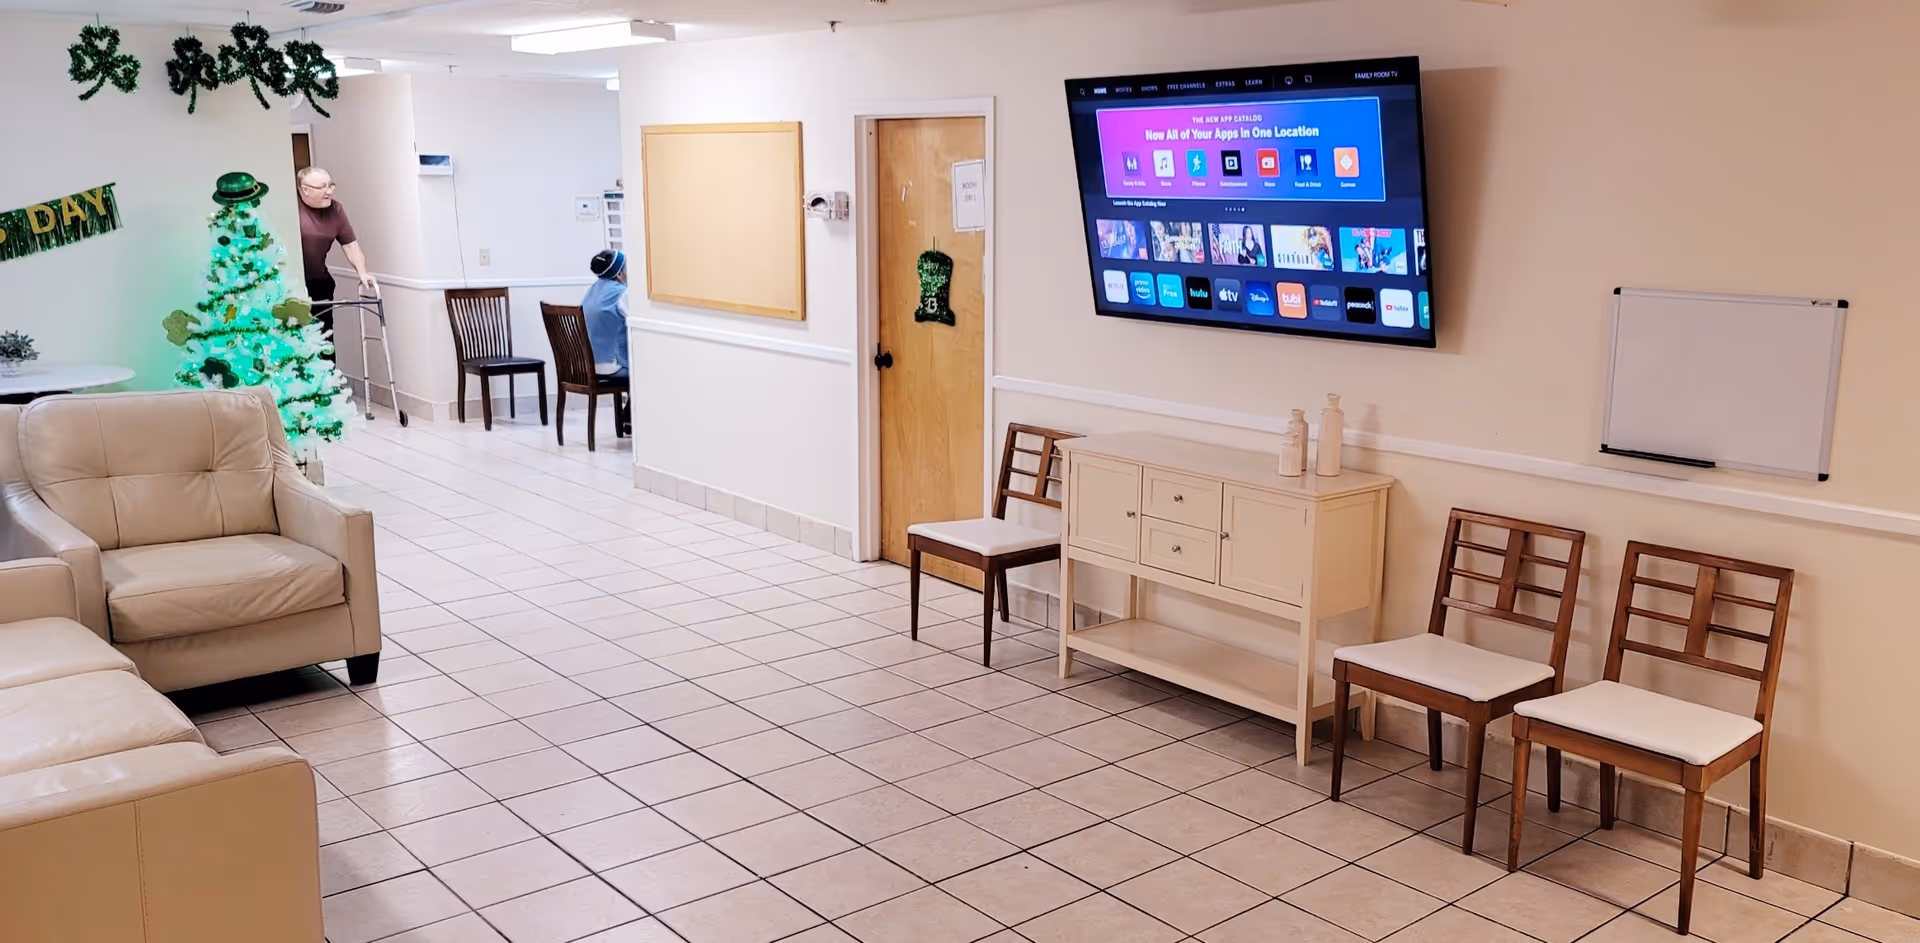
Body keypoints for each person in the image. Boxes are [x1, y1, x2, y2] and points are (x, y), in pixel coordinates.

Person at [296, 166, 373, 347]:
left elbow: (350, 244)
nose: (329, 192)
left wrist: (362, 272)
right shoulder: (292, 207)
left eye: (331, 186)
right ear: (304, 189)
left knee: (323, 338)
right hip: (292, 284)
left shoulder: (335, 210)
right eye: (322, 187)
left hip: (319, 284)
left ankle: (328, 375)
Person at [582, 249, 631, 435]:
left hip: (590, 364)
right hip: (613, 365)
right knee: (650, 370)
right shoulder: (621, 293)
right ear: (619, 274)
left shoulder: (593, 290)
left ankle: (629, 417)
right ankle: (634, 417)